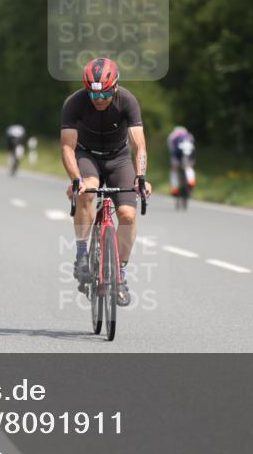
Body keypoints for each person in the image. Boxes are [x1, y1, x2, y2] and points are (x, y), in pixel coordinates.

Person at [61, 57, 151, 307]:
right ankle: (81, 254)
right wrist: (76, 180)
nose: (99, 100)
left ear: (115, 87)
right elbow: (67, 148)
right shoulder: (75, 103)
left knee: (128, 214)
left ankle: (120, 273)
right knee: (88, 191)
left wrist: (140, 177)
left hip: (118, 159)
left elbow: (139, 145)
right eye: (93, 95)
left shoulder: (127, 100)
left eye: (105, 95)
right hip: (87, 155)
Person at [167, 125, 196, 196]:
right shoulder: (189, 135)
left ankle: (174, 188)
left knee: (174, 170)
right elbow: (193, 144)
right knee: (189, 166)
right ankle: (191, 181)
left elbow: (171, 148)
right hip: (190, 151)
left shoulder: (172, 136)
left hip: (178, 152)